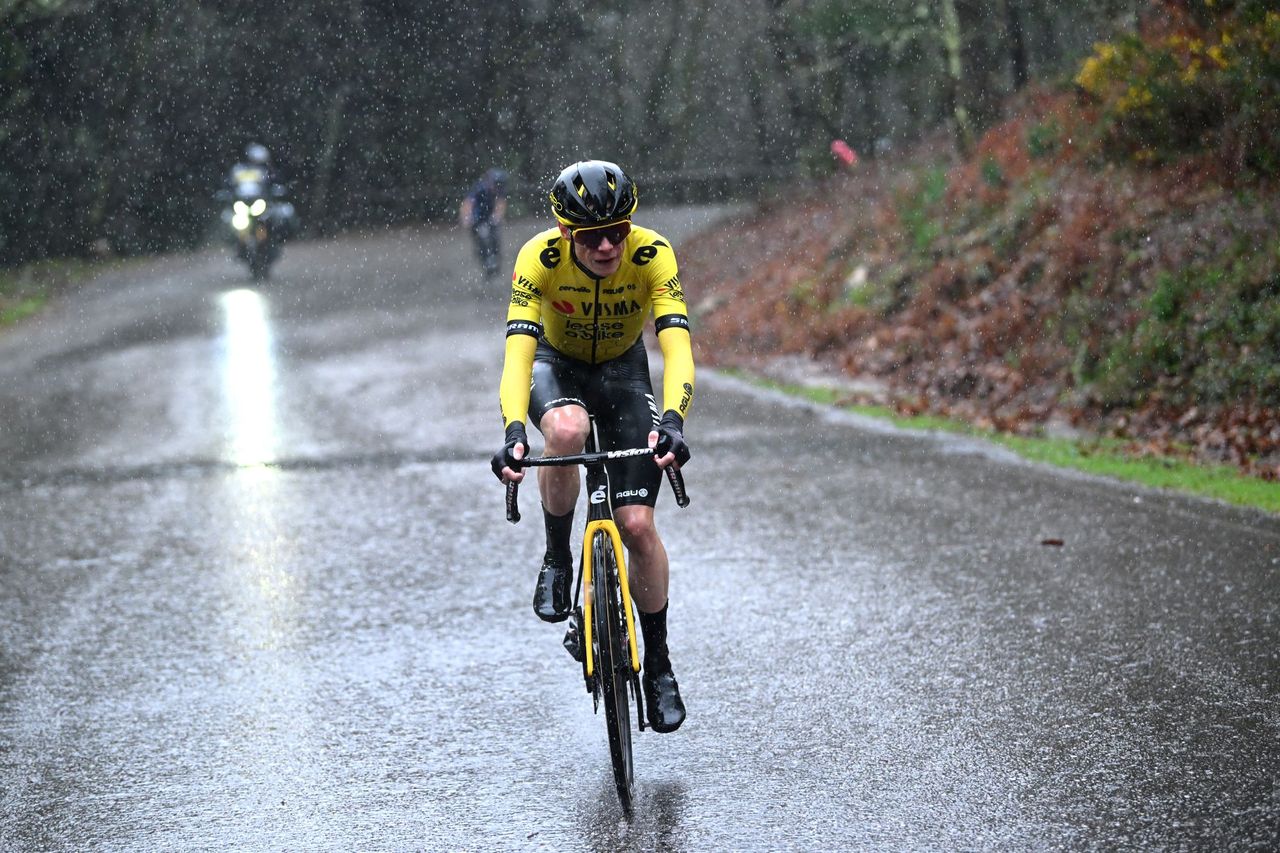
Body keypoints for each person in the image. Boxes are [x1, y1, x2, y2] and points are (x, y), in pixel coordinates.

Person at [491, 159, 693, 733]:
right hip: (558, 369)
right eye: (591, 237)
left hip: (624, 374)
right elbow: (517, 359)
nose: (607, 246)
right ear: (564, 235)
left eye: (617, 232)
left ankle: (658, 664)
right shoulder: (539, 260)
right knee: (565, 432)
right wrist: (512, 432)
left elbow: (676, 347)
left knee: (636, 525)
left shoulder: (653, 253)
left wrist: (675, 420)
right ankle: (558, 557)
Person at [459, 168, 508, 278]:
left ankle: (495, 260)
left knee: (495, 237)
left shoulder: (499, 189)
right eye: (496, 184)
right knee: (481, 240)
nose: (498, 187)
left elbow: (501, 203)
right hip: (477, 219)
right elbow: (468, 203)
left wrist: (497, 217)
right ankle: (486, 262)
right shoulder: (479, 188)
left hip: (489, 218)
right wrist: (466, 218)